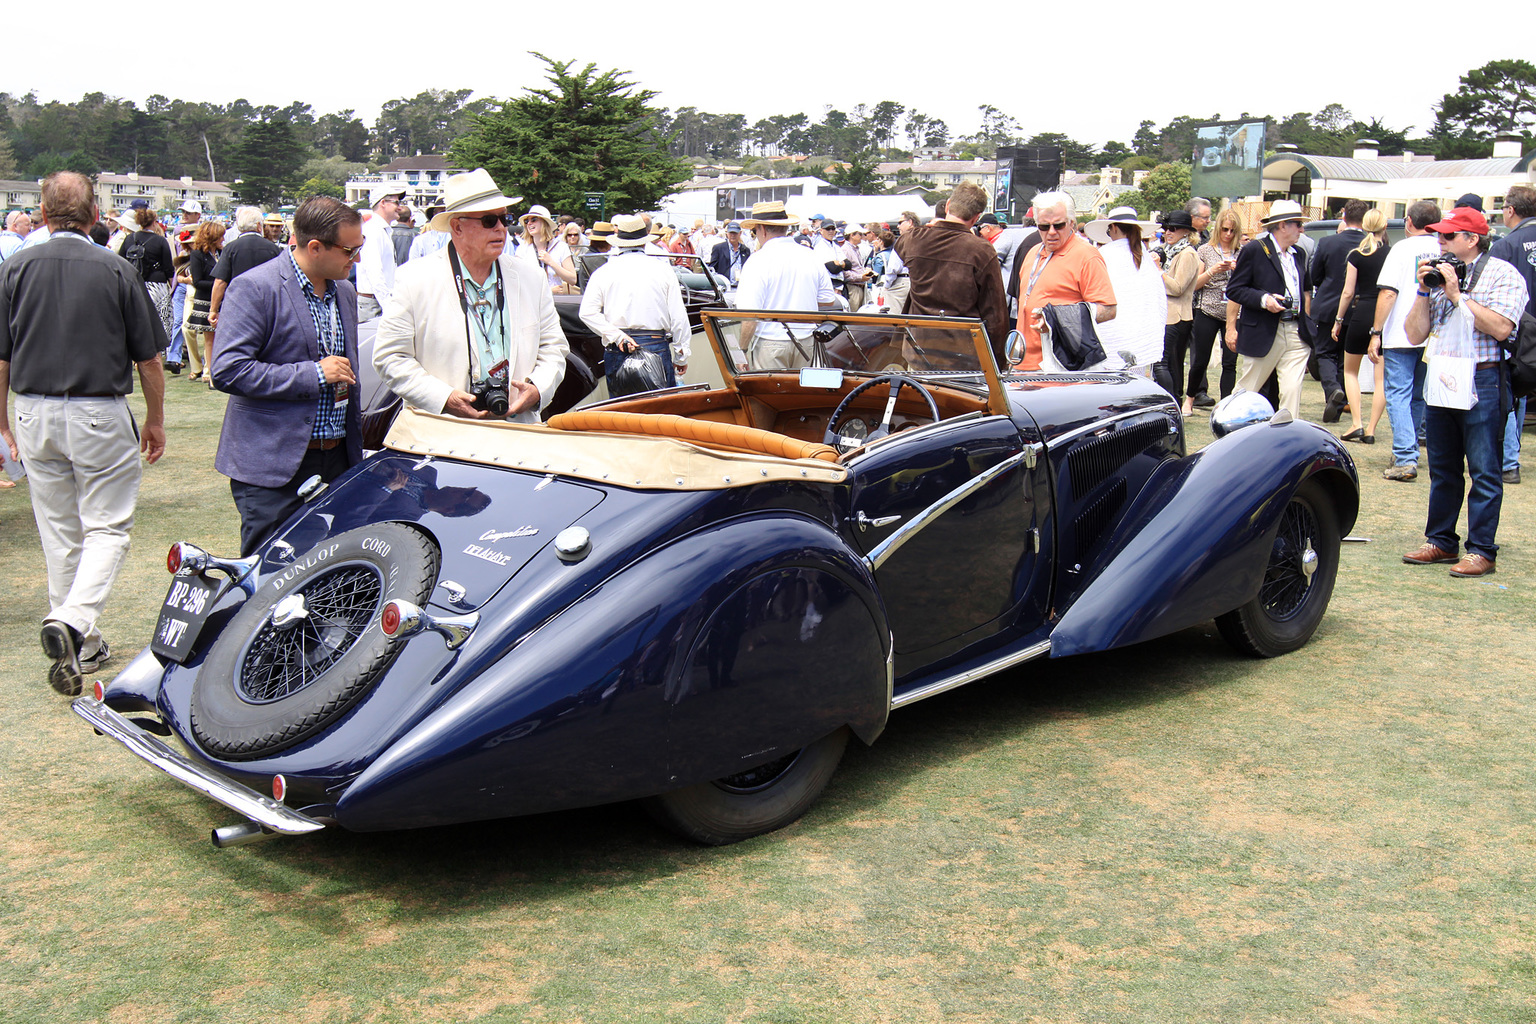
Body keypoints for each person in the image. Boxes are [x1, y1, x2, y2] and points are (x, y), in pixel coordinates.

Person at [0, 171, 167, 695]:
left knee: (60, 532)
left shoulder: (14, 268)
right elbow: (150, 359)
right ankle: (74, 621)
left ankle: (80, 635)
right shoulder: (114, 268)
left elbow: (1, 357)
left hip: (32, 410)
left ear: (44, 215)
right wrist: (156, 419)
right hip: (96, 410)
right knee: (107, 528)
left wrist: (1, 421)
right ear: (94, 214)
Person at [211, 197, 365, 555]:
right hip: (274, 467)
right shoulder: (256, 287)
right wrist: (313, 374)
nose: (356, 258)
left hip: (338, 459)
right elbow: (228, 370)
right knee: (268, 576)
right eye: (349, 250)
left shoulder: (345, 290)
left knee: (333, 570)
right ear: (314, 247)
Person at [373, 169, 566, 423]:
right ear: (457, 227)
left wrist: (537, 388)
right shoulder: (413, 279)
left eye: (504, 218)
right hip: (443, 437)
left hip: (519, 435)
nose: (501, 229)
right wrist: (443, 398)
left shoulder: (531, 278)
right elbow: (390, 357)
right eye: (489, 220)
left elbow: (554, 348)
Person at [1400, 205, 1528, 578]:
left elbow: (1502, 328)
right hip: (1441, 376)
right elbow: (1413, 334)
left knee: (1485, 468)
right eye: (1438, 235)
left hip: (1483, 378)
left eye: (1448, 236)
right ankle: (1440, 539)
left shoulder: (1503, 274)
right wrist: (1424, 291)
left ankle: (1481, 549)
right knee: (1442, 467)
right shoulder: (1438, 274)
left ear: (1472, 239)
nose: (1440, 242)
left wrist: (1459, 295)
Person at [898, 182, 1012, 365]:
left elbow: (899, 243)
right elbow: (995, 313)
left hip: (919, 349)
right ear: (976, 218)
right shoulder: (982, 250)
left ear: (948, 205)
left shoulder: (915, 239)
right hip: (963, 355)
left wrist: (932, 228)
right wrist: (997, 362)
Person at [1370, 201, 1442, 481]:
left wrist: (1376, 331)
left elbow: (1388, 293)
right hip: (1432, 332)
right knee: (1417, 395)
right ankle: (1409, 449)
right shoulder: (1442, 248)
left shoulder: (1401, 248)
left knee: (1398, 394)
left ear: (1409, 222)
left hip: (1401, 332)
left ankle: (1404, 456)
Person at [579, 214, 691, 392]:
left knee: (623, 415)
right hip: (654, 344)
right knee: (661, 414)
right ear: (644, 241)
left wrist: (618, 336)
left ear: (618, 241)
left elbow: (586, 313)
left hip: (618, 347)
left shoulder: (603, 272)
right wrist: (681, 355)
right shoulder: (663, 270)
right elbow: (679, 317)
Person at [1011, 190, 1116, 371]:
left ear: (1071, 224)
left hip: (1061, 365)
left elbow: (1109, 309)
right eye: (1044, 227)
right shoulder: (1032, 252)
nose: (1051, 232)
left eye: (1058, 226)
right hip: (1023, 363)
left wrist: (1056, 319)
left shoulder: (1087, 255)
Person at [1227, 200, 1313, 418]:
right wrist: (1264, 300)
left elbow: (1305, 290)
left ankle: (1286, 439)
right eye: (1297, 224)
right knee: (1247, 390)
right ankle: (1229, 427)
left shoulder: (1299, 254)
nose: (1302, 229)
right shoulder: (1255, 249)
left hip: (1296, 331)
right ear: (1282, 225)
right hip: (1265, 330)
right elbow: (1235, 290)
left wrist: (1308, 318)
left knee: (1292, 391)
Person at [733, 201, 838, 370]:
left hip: (771, 340)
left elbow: (749, 315)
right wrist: (801, 301)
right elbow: (828, 299)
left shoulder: (758, 260)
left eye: (755, 230)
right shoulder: (810, 255)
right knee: (798, 394)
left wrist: (742, 349)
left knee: (769, 395)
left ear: (763, 229)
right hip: (806, 339)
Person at [1082, 207, 1165, 374]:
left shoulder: (1105, 254)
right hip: (1140, 336)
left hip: (1113, 335)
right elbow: (1157, 299)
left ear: (1113, 228)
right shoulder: (1145, 256)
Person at [1333, 209, 1391, 444]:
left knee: (1350, 371)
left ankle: (1356, 422)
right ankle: (1371, 429)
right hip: (1384, 315)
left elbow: (1348, 292)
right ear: (1384, 226)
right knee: (1381, 378)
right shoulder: (1391, 254)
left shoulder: (1356, 255)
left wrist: (1338, 319)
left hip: (1361, 312)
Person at [1491, 184, 1536, 484]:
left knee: (1513, 390)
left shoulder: (1505, 245)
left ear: (1510, 210)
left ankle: (1509, 462)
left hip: (1520, 330)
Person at [1310, 199, 1369, 423]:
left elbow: (1315, 275)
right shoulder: (1373, 245)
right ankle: (1341, 397)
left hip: (1329, 305)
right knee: (1349, 358)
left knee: (1325, 353)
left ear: (1344, 217)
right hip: (1361, 309)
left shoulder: (1327, 243)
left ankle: (1334, 391)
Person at [1192, 207, 1241, 400]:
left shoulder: (1243, 252)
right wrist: (1213, 271)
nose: (1228, 234)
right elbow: (1195, 284)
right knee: (1200, 360)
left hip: (1234, 312)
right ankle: (1191, 398)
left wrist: (1239, 271)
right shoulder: (1205, 250)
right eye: (1225, 229)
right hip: (1208, 309)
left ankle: (1226, 401)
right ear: (1217, 228)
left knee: (1230, 362)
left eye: (1232, 231)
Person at [1155, 210, 1201, 411]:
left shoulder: (1188, 253)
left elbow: (1178, 287)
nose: (1168, 232)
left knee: (1163, 362)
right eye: (1166, 229)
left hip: (1177, 315)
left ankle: (1171, 404)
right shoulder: (1169, 251)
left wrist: (1158, 271)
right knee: (1170, 363)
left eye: (1172, 229)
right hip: (1165, 314)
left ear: (1185, 232)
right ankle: (1173, 403)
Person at [208, 206, 282, 330]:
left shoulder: (230, 248)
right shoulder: (273, 249)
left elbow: (220, 281)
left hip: (238, 305)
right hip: (266, 305)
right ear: (259, 226)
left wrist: (213, 310)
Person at [116, 206, 176, 349]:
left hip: (135, 282)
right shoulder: (161, 241)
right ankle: (158, 349)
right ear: (154, 222)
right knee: (161, 318)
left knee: (137, 318)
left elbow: (120, 260)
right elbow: (168, 267)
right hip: (157, 284)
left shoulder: (130, 239)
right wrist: (171, 286)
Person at [184, 220, 225, 382]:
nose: (223, 239)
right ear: (212, 236)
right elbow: (197, 281)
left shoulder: (223, 253)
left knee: (219, 336)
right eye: (220, 236)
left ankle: (216, 367)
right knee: (209, 337)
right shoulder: (197, 254)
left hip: (223, 301)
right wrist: (219, 285)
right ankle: (208, 370)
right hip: (205, 300)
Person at [358, 184, 405, 321]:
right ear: (383, 203)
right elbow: (374, 272)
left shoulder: (381, 230)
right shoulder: (373, 230)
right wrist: (389, 307)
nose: (400, 207)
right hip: (374, 303)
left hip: (378, 301)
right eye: (396, 202)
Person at [518, 204, 577, 293]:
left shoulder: (560, 246)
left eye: (534, 220)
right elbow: (519, 282)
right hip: (532, 302)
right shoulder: (522, 249)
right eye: (526, 221)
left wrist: (551, 262)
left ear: (545, 223)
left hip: (557, 302)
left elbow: (573, 279)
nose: (529, 223)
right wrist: (547, 291)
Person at [866, 228, 908, 313]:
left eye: (878, 239)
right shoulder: (896, 251)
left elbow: (877, 274)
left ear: (881, 242)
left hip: (889, 284)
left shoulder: (880, 257)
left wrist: (886, 286)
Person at [707, 220, 751, 287]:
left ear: (740, 233)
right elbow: (712, 269)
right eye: (731, 233)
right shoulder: (718, 248)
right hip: (725, 286)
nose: (733, 235)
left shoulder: (745, 250)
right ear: (727, 233)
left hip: (741, 286)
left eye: (735, 233)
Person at [839, 225, 871, 309]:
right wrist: (860, 277)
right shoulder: (845, 250)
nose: (862, 237)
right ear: (852, 235)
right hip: (852, 288)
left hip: (858, 287)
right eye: (860, 234)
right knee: (854, 314)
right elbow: (844, 272)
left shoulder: (855, 249)